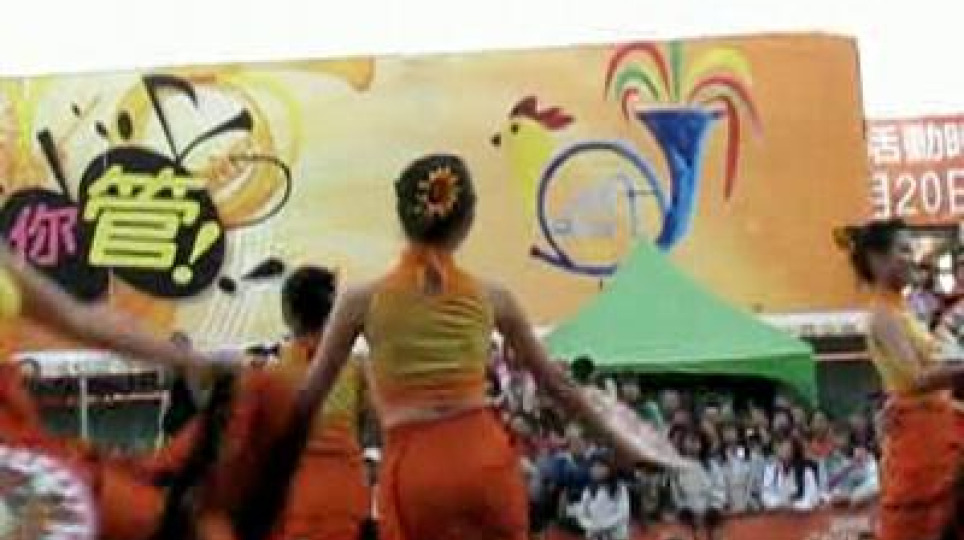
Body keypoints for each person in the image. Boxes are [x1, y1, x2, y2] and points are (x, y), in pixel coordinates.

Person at [274, 154, 663, 540]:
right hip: (483, 461)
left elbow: (307, 400)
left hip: (415, 472)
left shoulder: (361, 301)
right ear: (467, 221)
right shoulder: (494, 298)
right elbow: (559, 387)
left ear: (403, 219)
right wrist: (624, 447)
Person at [840, 218, 964, 540]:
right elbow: (914, 378)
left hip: (939, 429)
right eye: (904, 250)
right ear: (878, 259)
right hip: (923, 440)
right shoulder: (884, 315)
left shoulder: (903, 311)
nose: (912, 258)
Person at [577, 454, 631, 540]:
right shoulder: (589, 489)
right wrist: (589, 525)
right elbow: (581, 512)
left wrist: (602, 526)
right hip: (594, 533)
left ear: (609, 468)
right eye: (593, 467)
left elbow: (623, 513)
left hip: (615, 534)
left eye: (600, 466)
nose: (596, 470)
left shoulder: (619, 488)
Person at [761, 437, 820, 512]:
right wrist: (778, 503)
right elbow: (765, 493)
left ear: (794, 452)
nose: (783, 451)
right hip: (778, 510)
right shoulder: (771, 469)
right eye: (782, 447)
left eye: (787, 449)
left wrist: (795, 505)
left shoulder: (806, 471)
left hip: (800, 512)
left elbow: (812, 495)